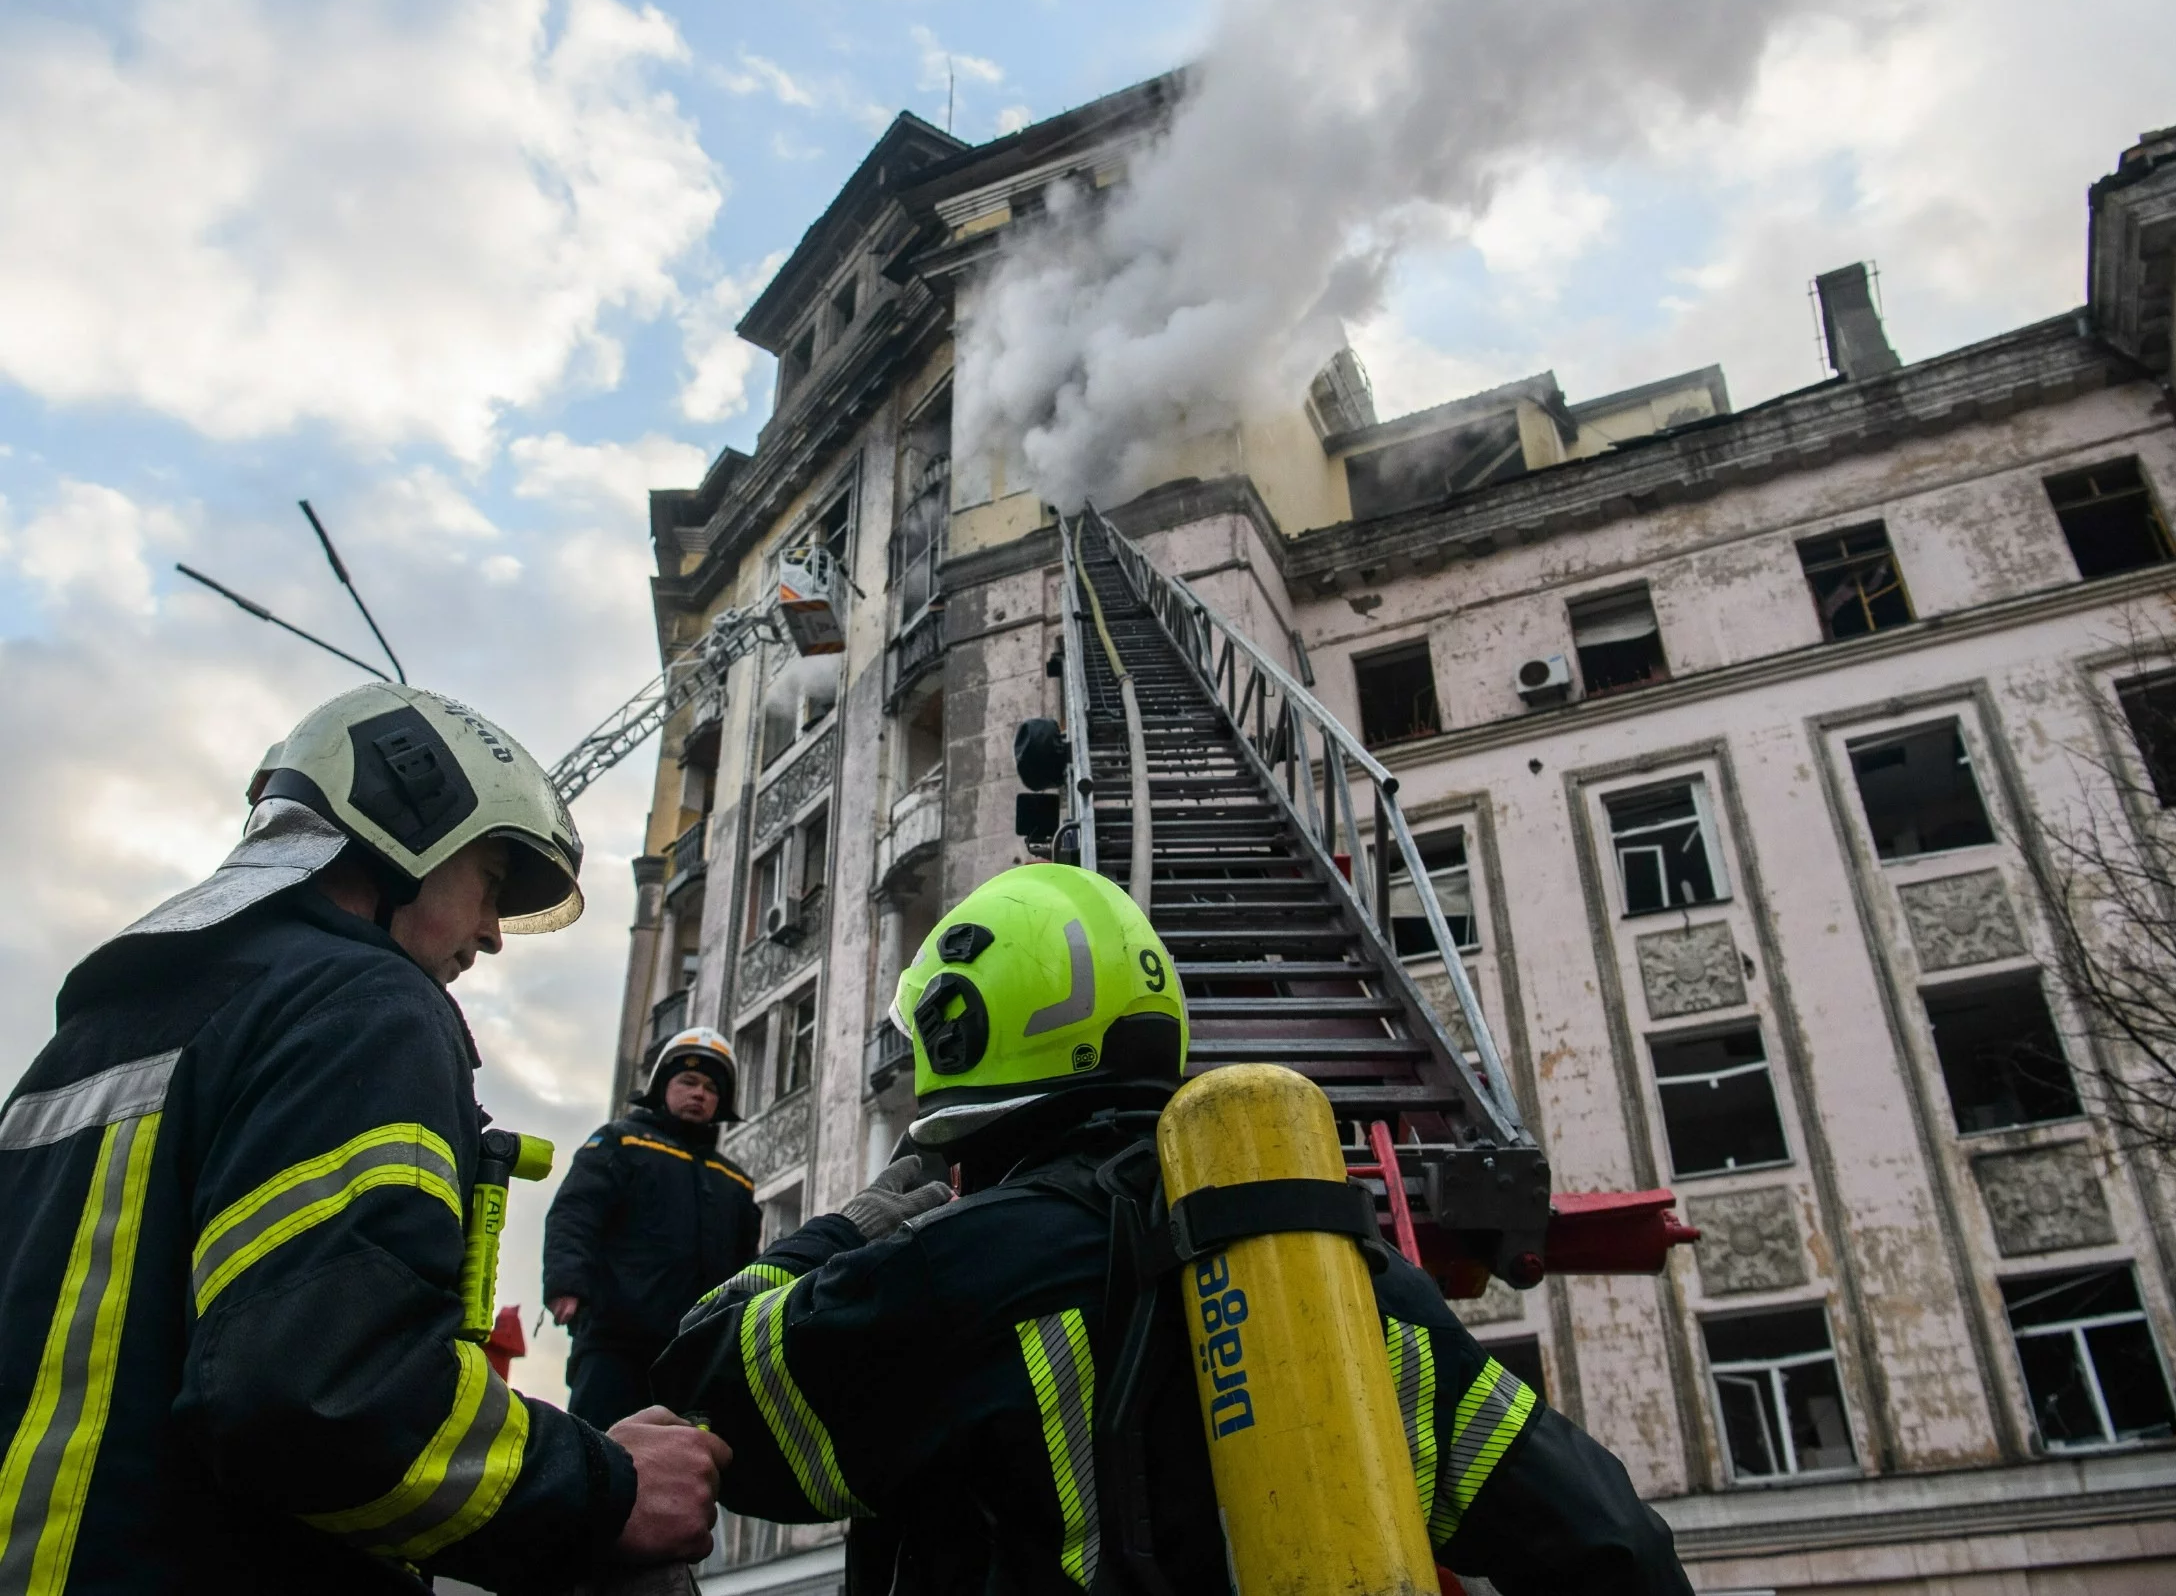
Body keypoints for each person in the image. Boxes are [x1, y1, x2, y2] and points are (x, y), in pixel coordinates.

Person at [654, 862, 1693, 1596]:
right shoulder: (1339, 1272)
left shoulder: (972, 1264)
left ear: (964, 1031)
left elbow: (708, 1393)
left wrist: (857, 1226)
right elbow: (1609, 1548)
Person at [0, 684, 729, 1594]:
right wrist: (607, 1487)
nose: (493, 937)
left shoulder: (83, 1041)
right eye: (492, 885)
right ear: (402, 832)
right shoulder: (363, 1005)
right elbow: (322, 1399)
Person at [542, 1027, 764, 1429]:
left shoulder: (736, 1183)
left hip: (697, 1357)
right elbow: (576, 1211)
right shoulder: (619, 1142)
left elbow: (747, 1266)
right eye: (688, 1081)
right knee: (600, 1456)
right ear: (662, 1087)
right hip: (615, 1343)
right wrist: (566, 1281)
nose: (699, 1093)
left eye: (711, 1087)